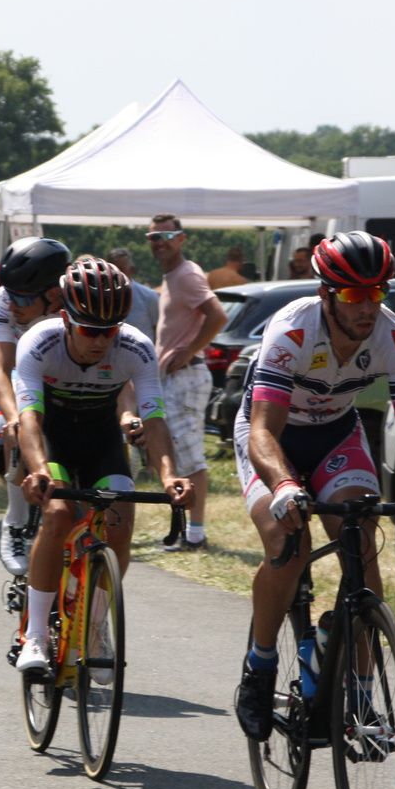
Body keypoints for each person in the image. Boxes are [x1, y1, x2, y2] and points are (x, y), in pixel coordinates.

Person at [232, 231, 395, 741]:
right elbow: (263, 431)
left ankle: (361, 696)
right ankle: (260, 664)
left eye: (377, 292)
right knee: (287, 543)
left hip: (336, 435)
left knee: (360, 541)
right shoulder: (292, 331)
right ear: (326, 294)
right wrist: (284, 486)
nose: (367, 307)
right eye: (354, 294)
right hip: (272, 436)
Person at [13, 258, 190, 673]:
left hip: (101, 440)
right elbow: (30, 419)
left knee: (120, 520)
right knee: (58, 514)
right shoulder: (39, 343)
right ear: (65, 320)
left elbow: (154, 420)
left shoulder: (136, 348)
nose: (100, 341)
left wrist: (169, 475)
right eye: (90, 330)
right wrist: (39, 471)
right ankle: (35, 635)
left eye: (109, 331)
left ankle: (94, 626)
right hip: (52, 441)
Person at [0, 236, 71, 576]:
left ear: (54, 295)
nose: (12, 306)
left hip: (67, 379)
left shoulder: (76, 300)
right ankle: (16, 523)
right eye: (10, 295)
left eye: (22, 298)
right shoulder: (4, 298)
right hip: (27, 378)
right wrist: (13, 419)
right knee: (12, 428)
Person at [146, 215, 226, 551]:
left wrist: (190, 350)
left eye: (167, 236)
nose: (159, 242)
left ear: (182, 239)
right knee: (176, 457)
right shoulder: (173, 276)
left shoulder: (187, 274)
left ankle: (196, 533)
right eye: (153, 237)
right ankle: (184, 530)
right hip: (175, 377)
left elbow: (217, 315)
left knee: (191, 459)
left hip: (187, 376)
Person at [104, 247, 159, 344]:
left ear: (132, 270)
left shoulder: (149, 296)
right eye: (113, 270)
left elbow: (159, 331)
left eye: (122, 269)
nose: (118, 274)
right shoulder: (101, 300)